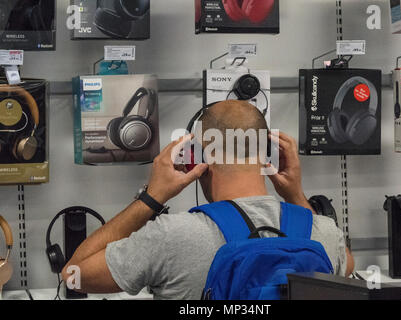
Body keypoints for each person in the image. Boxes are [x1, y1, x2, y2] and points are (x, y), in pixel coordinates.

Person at [62, 100, 355, 300]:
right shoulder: (324, 234)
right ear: (268, 156)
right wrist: (295, 195)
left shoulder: (172, 235)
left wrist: (151, 197)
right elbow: (347, 265)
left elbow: (74, 274)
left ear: (198, 158)